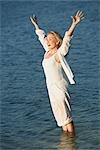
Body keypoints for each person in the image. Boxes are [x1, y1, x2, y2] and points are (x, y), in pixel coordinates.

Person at [30, 10, 84, 135]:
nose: (47, 41)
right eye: (47, 39)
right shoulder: (47, 52)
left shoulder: (59, 53)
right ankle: (68, 142)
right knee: (60, 117)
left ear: (57, 42)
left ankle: (72, 140)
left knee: (66, 116)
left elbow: (66, 40)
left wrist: (74, 24)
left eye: (50, 39)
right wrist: (36, 25)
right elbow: (41, 37)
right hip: (50, 88)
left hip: (60, 87)